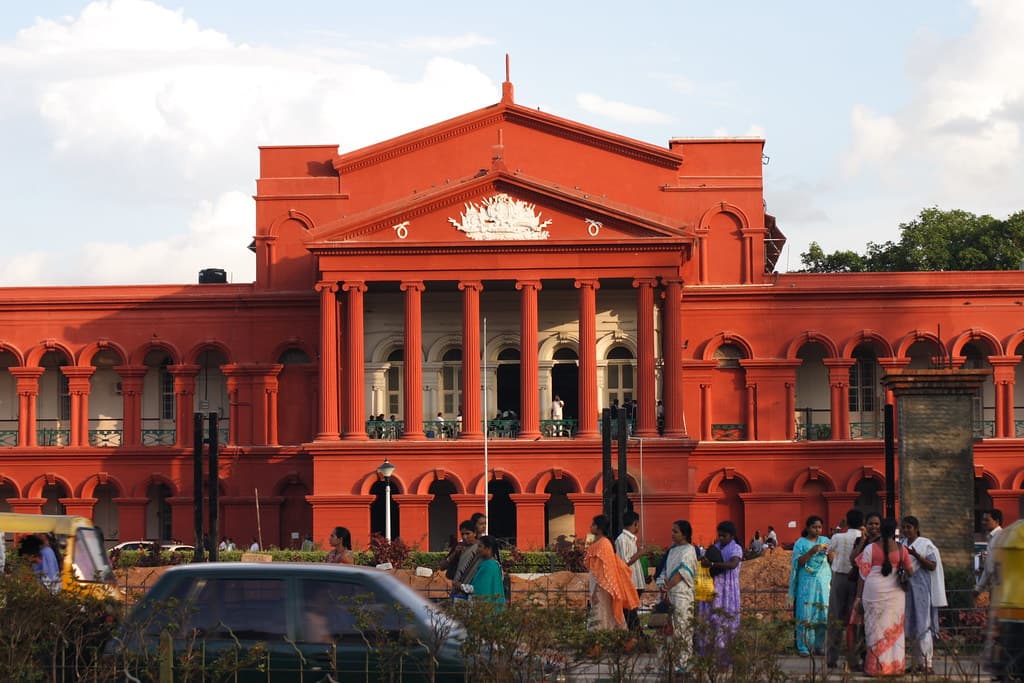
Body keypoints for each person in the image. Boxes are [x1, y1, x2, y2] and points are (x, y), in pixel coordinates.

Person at [854, 517, 913, 676]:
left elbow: (862, 574)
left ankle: (875, 668)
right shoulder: (902, 549)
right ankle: (894, 667)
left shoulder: (870, 548)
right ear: (895, 531)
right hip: (896, 595)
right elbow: (910, 571)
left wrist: (858, 598)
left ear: (880, 530)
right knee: (894, 629)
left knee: (874, 629)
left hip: (873, 592)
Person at [902, 516, 946, 674]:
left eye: (909, 527)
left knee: (924, 625)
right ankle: (916, 663)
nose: (906, 530)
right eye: (904, 527)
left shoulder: (925, 544)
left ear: (916, 528)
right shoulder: (902, 544)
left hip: (922, 589)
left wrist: (916, 555)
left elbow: (932, 566)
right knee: (912, 625)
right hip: (907, 589)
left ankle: (927, 664)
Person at [656, 519, 698, 674]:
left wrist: (668, 586)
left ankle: (684, 663)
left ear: (684, 534)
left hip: (682, 594)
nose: (672, 534)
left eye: (676, 531)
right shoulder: (672, 550)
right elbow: (664, 571)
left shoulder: (689, 550)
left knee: (682, 628)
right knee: (666, 630)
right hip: (668, 594)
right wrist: (662, 585)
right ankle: (667, 663)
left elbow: (684, 572)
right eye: (672, 531)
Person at [584, 514, 640, 630]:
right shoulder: (598, 543)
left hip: (604, 586)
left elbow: (609, 568)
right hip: (597, 582)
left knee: (603, 612)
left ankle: (602, 639)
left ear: (599, 528)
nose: (591, 526)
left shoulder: (605, 544)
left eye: (593, 524)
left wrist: (606, 585)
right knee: (601, 611)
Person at [826, 509, 864, 671]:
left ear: (847, 521)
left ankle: (832, 658)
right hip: (857, 580)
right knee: (854, 619)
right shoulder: (864, 538)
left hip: (839, 577)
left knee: (835, 617)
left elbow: (828, 551)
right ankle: (853, 658)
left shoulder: (838, 537)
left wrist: (837, 527)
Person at [789, 515, 832, 656]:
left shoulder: (826, 541)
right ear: (808, 528)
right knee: (806, 612)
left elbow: (832, 559)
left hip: (823, 581)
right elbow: (798, 562)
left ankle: (820, 646)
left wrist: (830, 554)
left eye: (819, 527)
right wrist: (811, 552)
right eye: (814, 527)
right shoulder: (800, 543)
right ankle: (804, 646)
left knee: (822, 612)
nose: (817, 530)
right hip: (806, 582)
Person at [700, 520, 743, 660]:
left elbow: (733, 564)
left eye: (724, 536)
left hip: (729, 589)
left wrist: (713, 563)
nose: (721, 538)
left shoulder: (736, 548)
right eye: (719, 535)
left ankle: (726, 655)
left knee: (726, 619)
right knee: (711, 618)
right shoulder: (716, 547)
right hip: (715, 588)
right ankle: (709, 653)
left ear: (731, 536)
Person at [614, 511, 646, 630]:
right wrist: (640, 553)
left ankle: (635, 634)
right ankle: (636, 634)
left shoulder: (632, 539)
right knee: (630, 612)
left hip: (636, 581)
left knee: (632, 611)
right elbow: (624, 562)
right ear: (635, 523)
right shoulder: (622, 540)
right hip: (629, 582)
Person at [469, 535, 505, 608]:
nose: (477, 549)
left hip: (487, 610)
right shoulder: (495, 564)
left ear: (488, 548)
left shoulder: (488, 565)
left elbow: (479, 589)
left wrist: (460, 586)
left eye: (480, 546)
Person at [976, 508, 1003, 597]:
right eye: (983, 520)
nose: (983, 522)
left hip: (999, 586)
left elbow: (990, 567)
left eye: (987, 520)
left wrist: (979, 588)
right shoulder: (994, 537)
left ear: (997, 521)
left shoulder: (998, 538)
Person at [451, 520, 482, 598]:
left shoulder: (481, 548)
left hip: (473, 592)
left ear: (475, 533)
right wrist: (455, 554)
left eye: (467, 533)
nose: (464, 537)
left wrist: (463, 586)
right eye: (462, 534)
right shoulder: (460, 547)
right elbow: (442, 566)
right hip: (457, 590)